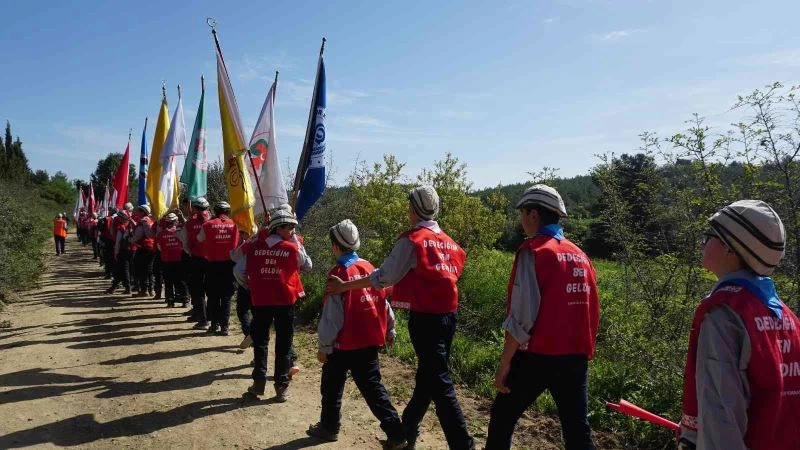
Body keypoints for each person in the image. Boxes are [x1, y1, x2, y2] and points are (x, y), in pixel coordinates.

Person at [325, 186, 474, 450]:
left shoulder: (412, 239)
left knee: (439, 384)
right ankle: (407, 429)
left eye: (408, 208)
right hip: (450, 317)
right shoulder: (449, 242)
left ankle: (463, 444)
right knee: (428, 377)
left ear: (414, 210)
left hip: (426, 320)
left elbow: (384, 278)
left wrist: (345, 286)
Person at [678, 200, 800, 450]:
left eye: (709, 236)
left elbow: (720, 415)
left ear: (730, 249)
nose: (702, 243)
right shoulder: (787, 317)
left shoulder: (725, 314)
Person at [484, 185, 599, 450]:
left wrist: (504, 364)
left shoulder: (534, 251)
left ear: (533, 215)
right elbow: (591, 311)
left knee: (503, 416)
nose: (521, 221)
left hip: (537, 356)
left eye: (522, 214)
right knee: (577, 431)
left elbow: (522, 316)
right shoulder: (581, 255)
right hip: (576, 358)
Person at [307, 219, 406, 449]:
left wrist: (324, 346)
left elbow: (332, 316)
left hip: (344, 344)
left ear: (335, 246)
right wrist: (390, 328)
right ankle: (397, 433)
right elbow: (384, 303)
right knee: (373, 389)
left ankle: (329, 428)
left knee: (331, 386)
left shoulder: (338, 274)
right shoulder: (371, 268)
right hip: (370, 340)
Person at [237, 205, 311, 402]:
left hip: (260, 301)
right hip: (285, 303)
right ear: (278, 228)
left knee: (260, 343)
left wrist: (251, 285)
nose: (293, 231)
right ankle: (281, 387)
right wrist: (296, 242)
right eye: (289, 228)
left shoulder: (254, 246)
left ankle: (258, 384)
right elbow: (308, 265)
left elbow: (238, 270)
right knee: (283, 345)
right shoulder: (292, 247)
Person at [197, 201, 239, 335]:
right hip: (229, 265)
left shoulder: (207, 224)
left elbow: (199, 239)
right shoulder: (235, 225)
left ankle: (214, 324)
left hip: (213, 264)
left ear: (215, 211)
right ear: (228, 211)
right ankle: (225, 327)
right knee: (226, 296)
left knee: (213, 295)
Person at [180, 197, 211, 326]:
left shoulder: (190, 223)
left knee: (197, 291)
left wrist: (190, 252)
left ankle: (202, 319)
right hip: (212, 260)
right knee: (210, 291)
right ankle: (209, 318)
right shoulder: (213, 221)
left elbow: (184, 242)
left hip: (197, 259)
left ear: (196, 208)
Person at [156, 213, 189, 308]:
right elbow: (185, 244)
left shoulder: (161, 233)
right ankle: (185, 300)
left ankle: (170, 301)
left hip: (166, 260)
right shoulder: (180, 231)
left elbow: (159, 248)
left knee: (168, 281)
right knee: (181, 280)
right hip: (179, 260)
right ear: (176, 221)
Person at [106, 209, 133, 295]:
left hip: (123, 250)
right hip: (133, 250)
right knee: (123, 269)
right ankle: (114, 286)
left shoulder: (121, 227)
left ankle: (127, 287)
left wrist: (115, 252)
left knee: (122, 269)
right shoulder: (132, 225)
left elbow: (118, 242)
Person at [132, 204, 156, 297]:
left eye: (139, 211)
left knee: (141, 269)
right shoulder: (151, 220)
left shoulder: (143, 221)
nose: (137, 213)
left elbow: (139, 234)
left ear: (143, 212)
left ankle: (144, 290)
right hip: (151, 247)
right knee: (149, 269)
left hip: (144, 248)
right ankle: (151, 289)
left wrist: (130, 240)